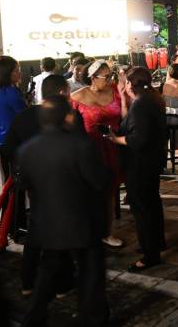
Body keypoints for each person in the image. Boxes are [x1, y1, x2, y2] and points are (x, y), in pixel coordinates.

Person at [16, 96, 110, 327]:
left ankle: (34, 318)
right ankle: (93, 319)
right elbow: (98, 181)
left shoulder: (27, 149)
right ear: (67, 117)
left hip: (48, 222)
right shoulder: (80, 145)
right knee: (90, 273)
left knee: (47, 272)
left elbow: (25, 184)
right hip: (81, 220)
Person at [5, 75, 82, 296]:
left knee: (36, 230)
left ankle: (28, 281)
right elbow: (80, 150)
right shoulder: (68, 117)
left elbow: (8, 147)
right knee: (62, 233)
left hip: (34, 182)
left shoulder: (22, 117)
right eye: (68, 92)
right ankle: (62, 284)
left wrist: (24, 169)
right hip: (63, 183)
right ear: (62, 93)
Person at [108, 67, 167, 272]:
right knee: (152, 203)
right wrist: (125, 101)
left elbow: (138, 138)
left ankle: (150, 255)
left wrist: (116, 139)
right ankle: (156, 243)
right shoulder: (151, 99)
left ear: (130, 83)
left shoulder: (142, 104)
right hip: (151, 162)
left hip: (140, 164)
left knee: (142, 209)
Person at [71, 60, 124, 248]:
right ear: (93, 77)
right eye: (106, 77)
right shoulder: (77, 97)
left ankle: (107, 232)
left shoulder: (114, 90)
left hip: (113, 146)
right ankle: (87, 230)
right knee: (89, 191)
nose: (110, 80)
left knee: (110, 190)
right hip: (90, 149)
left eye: (111, 76)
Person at [0, 56, 26, 210]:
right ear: (6, 73)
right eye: (16, 70)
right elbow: (24, 115)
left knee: (7, 182)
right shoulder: (11, 92)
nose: (19, 73)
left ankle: (10, 218)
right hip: (11, 141)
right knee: (16, 184)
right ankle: (17, 219)